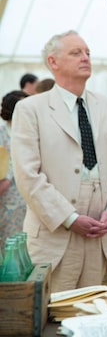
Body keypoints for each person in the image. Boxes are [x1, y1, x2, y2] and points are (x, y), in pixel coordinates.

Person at [10, 30, 107, 293]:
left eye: (87, 52)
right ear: (52, 62)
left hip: (99, 232)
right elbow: (28, 176)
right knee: (53, 311)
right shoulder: (30, 109)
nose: (85, 57)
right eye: (76, 53)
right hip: (54, 234)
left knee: (90, 309)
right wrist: (70, 218)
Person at [0, 90, 29, 248]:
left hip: (25, 194)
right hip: (7, 196)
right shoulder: (2, 132)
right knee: (9, 241)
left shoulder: (28, 132)